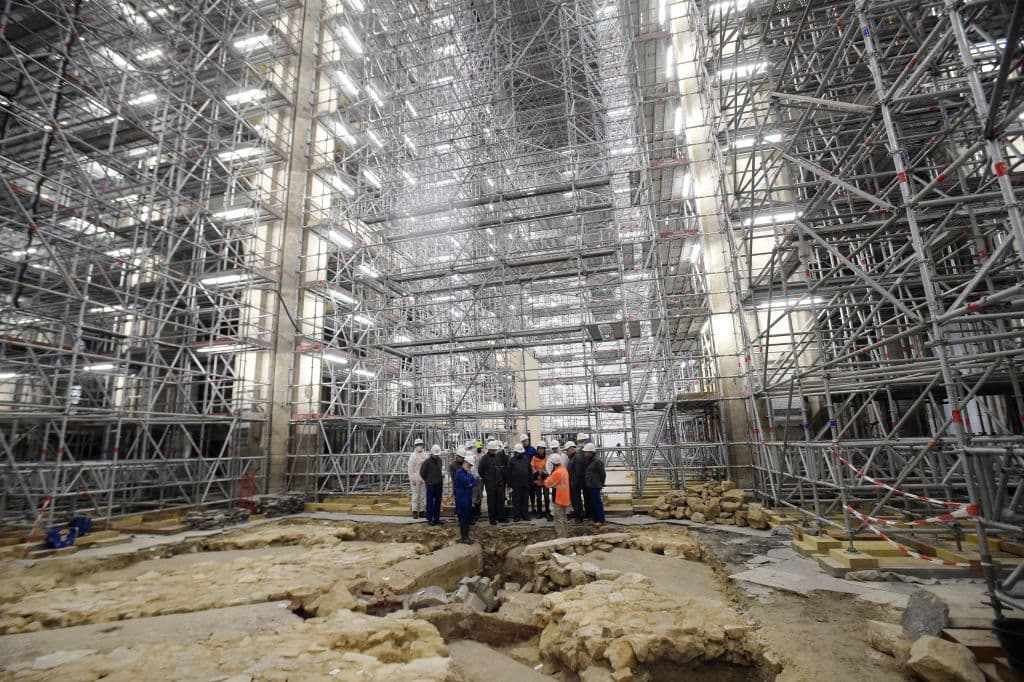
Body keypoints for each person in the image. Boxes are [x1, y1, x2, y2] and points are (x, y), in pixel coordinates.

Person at [477, 440, 507, 525]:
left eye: (495, 450)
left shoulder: (497, 457)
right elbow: (480, 470)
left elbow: (500, 467)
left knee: (500, 500)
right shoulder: (484, 458)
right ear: (489, 449)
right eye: (493, 450)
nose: (494, 451)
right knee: (491, 501)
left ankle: (501, 517)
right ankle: (492, 518)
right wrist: (487, 478)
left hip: (499, 482)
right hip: (490, 483)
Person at [544, 453, 570, 538]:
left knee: (559, 522)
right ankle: (566, 538)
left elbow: (547, 484)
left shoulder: (557, 473)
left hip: (558, 499)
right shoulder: (564, 470)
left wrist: (547, 477)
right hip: (565, 499)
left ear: (552, 464)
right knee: (564, 520)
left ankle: (562, 541)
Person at [455, 452, 477, 544]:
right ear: (465, 462)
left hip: (467, 498)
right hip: (461, 499)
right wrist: (470, 481)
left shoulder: (467, 473)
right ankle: (464, 537)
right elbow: (467, 482)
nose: (470, 467)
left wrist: (470, 482)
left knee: (467, 517)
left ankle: (466, 537)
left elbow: (474, 483)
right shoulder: (459, 472)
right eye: (469, 465)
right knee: (463, 518)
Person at [419, 444, 444, 525]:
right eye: (435, 454)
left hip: (439, 484)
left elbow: (440, 470)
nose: (436, 456)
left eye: (437, 455)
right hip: (430, 485)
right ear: (431, 453)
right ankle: (430, 519)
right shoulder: (427, 462)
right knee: (430, 502)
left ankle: (436, 518)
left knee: (438, 502)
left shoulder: (440, 461)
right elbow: (422, 473)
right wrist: (428, 480)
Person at [507, 443, 532, 522]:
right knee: (516, 500)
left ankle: (525, 515)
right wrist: (509, 485)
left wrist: (530, 482)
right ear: (515, 452)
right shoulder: (511, 461)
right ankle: (516, 516)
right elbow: (508, 473)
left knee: (525, 500)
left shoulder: (526, 459)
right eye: (518, 453)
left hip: (525, 484)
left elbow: (530, 471)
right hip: (515, 485)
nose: (519, 454)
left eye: (520, 453)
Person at [583, 443, 606, 525]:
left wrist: (602, 483)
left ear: (591, 452)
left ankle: (601, 520)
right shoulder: (589, 459)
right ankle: (595, 519)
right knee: (592, 503)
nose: (585, 453)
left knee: (597, 503)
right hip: (590, 484)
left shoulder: (597, 461)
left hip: (595, 485)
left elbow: (602, 474)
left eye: (586, 452)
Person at [564, 440, 585, 522]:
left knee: (577, 500)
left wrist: (573, 483)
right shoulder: (573, 458)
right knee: (575, 500)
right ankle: (577, 515)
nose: (566, 452)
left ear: (572, 449)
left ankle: (579, 517)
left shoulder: (577, 458)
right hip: (573, 483)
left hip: (575, 485)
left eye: (567, 450)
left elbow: (578, 473)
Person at [531, 441, 552, 520]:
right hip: (537, 480)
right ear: (537, 449)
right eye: (539, 448)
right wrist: (536, 473)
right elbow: (532, 467)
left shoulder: (547, 458)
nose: (541, 450)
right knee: (539, 498)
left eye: (542, 449)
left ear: (544, 450)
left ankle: (547, 512)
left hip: (545, 480)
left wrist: (544, 473)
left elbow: (549, 468)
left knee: (546, 498)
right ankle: (539, 512)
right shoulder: (534, 458)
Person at [407, 438, 428, 519]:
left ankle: (422, 511)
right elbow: (410, 468)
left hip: (423, 477)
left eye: (420, 445)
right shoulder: (413, 456)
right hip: (415, 477)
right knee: (415, 495)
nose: (419, 446)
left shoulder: (425, 455)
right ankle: (415, 511)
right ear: (415, 446)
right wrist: (412, 478)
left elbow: (427, 466)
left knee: (423, 495)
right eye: (418, 445)